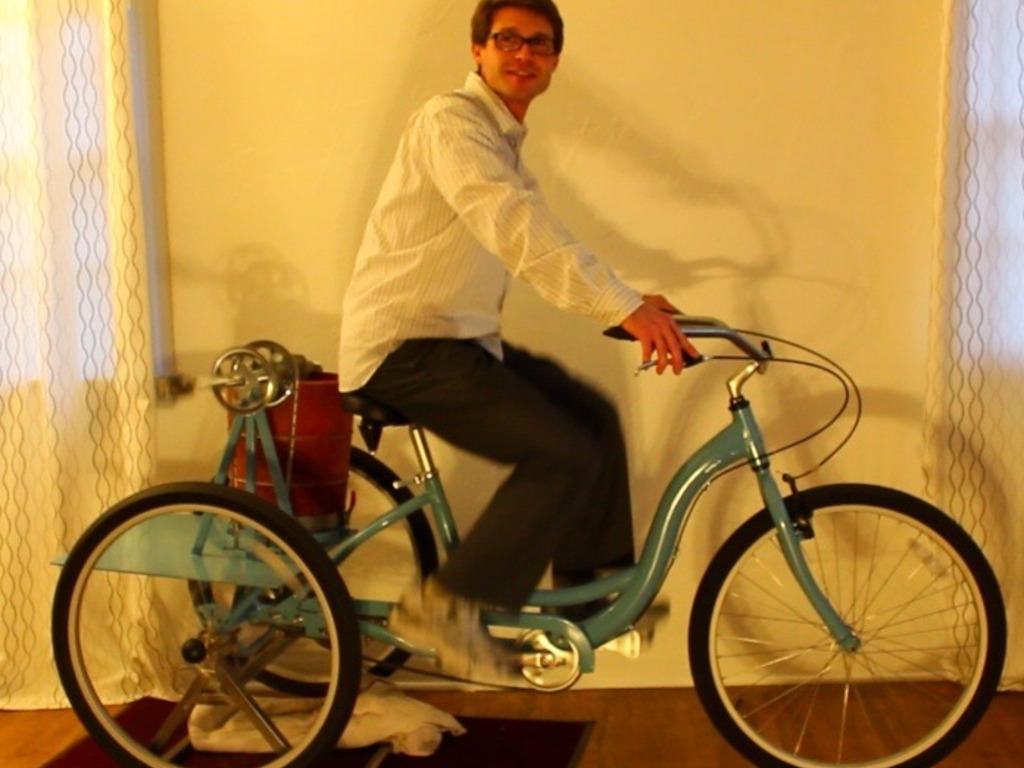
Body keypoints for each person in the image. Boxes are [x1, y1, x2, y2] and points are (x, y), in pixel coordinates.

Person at [337, 0, 698, 681]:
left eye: (539, 43)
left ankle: (593, 599)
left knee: (593, 416)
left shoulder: (500, 141)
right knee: (560, 453)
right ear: (478, 50)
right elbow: (512, 224)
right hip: (404, 349)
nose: (524, 54)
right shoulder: (451, 122)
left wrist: (630, 294)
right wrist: (619, 306)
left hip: (458, 343)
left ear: (555, 60)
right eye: (508, 39)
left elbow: (540, 224)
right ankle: (446, 607)